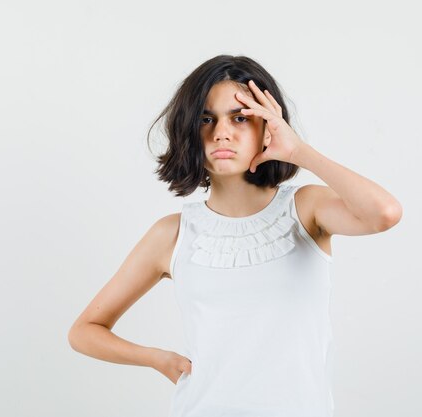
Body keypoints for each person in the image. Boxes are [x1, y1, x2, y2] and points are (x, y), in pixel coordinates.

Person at [68, 54, 402, 416]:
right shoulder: (173, 234)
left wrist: (298, 151)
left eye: (240, 117)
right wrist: (157, 359)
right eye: (205, 119)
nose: (221, 132)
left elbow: (384, 213)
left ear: (267, 126)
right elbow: (85, 330)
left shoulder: (306, 210)